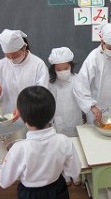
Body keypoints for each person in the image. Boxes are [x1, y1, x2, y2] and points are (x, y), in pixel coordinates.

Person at [0, 86, 81, 199]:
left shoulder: (18, 149)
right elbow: (74, 171)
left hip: (30, 194)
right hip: (57, 189)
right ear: (52, 112)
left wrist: (6, 163)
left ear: (21, 117)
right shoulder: (64, 141)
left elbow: (4, 182)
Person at [0, 29, 49, 119]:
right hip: (9, 117)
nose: (11, 59)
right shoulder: (0, 66)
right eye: (8, 56)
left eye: (14, 56)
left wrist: (24, 108)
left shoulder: (38, 65)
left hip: (33, 118)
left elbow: (42, 93)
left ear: (24, 48)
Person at [48, 47, 83, 186]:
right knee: (61, 149)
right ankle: (65, 175)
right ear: (53, 69)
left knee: (76, 149)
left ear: (71, 66)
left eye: (66, 68)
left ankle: (77, 174)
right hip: (59, 121)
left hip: (75, 119)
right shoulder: (51, 84)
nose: (63, 71)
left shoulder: (78, 79)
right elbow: (48, 104)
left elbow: (84, 98)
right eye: (59, 69)